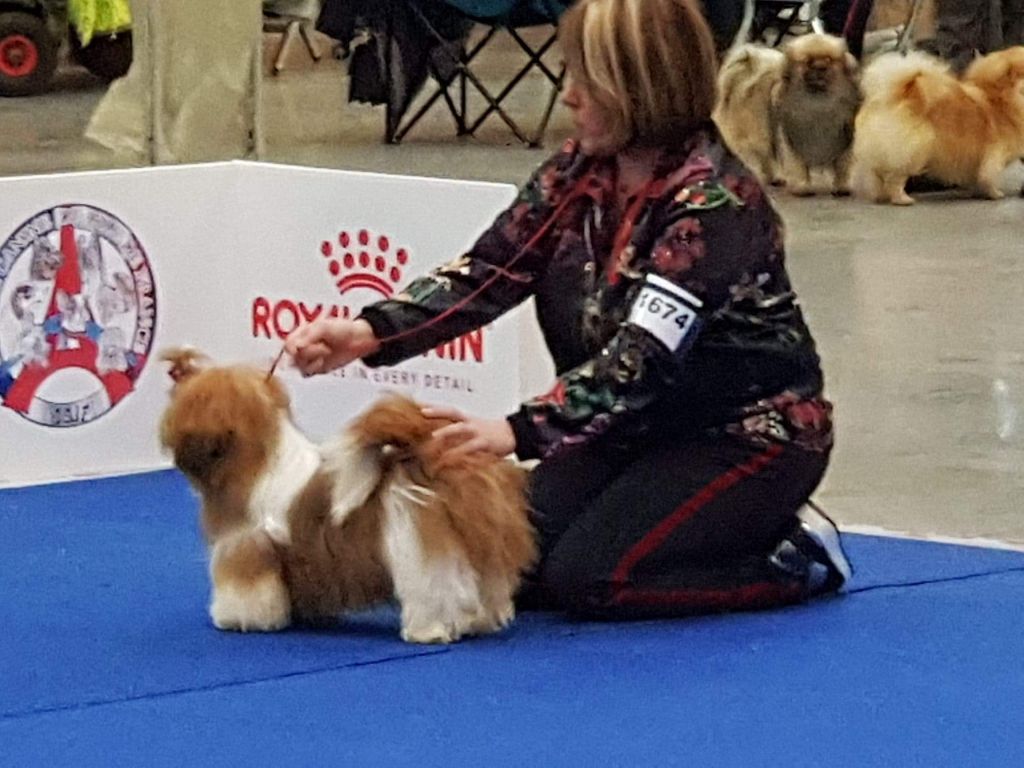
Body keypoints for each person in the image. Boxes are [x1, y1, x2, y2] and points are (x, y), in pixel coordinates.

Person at [286, 0, 851, 619]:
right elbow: (490, 271)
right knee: (508, 562)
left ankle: (793, 561)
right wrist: (369, 330)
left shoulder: (712, 206)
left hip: (744, 439)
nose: (569, 96)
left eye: (586, 80)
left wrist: (515, 431)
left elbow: (640, 361)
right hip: (628, 432)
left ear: (638, 87)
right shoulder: (578, 169)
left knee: (595, 580)